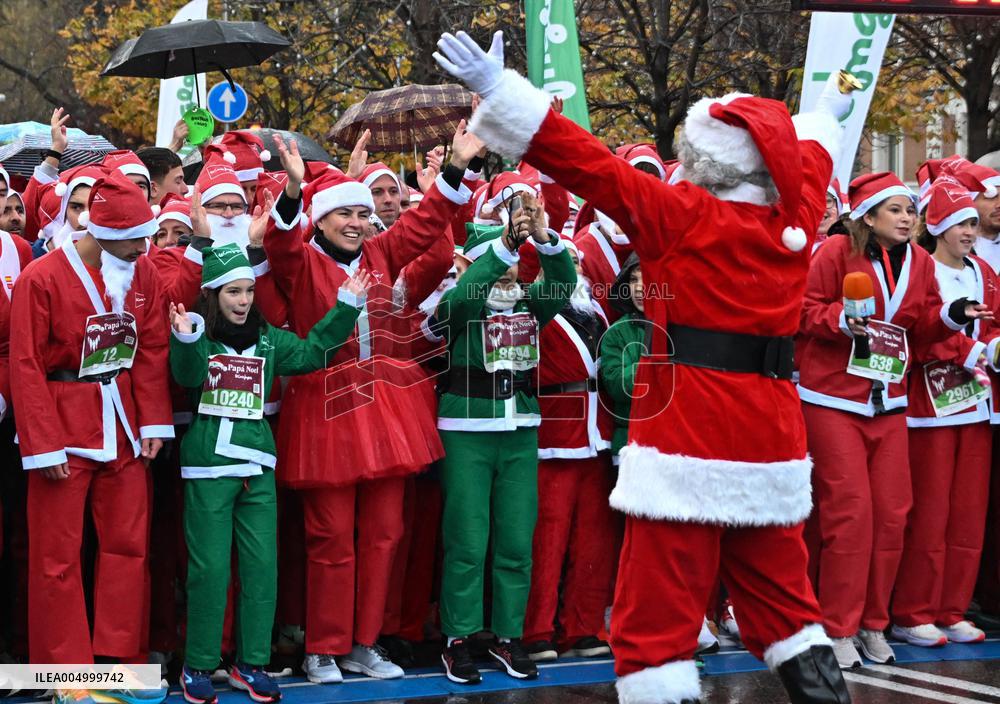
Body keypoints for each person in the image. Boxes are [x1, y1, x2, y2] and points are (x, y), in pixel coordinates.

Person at [434, 29, 853, 703]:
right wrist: (826, 113)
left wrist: (497, 88)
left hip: (689, 428)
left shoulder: (681, 214)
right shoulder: (797, 217)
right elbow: (811, 154)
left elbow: (586, 162)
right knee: (785, 599)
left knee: (658, 606)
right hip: (769, 435)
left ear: (706, 162)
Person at [263, 127, 478, 684]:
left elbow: (426, 222)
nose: (357, 223)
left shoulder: (381, 251)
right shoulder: (302, 261)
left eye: (363, 214)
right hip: (326, 409)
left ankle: (364, 642)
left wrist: (456, 166)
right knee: (331, 536)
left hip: (385, 408)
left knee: (384, 533)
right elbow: (279, 244)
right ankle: (323, 647)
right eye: (344, 214)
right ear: (321, 220)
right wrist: (293, 189)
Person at [799, 171, 993, 669]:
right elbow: (801, 310)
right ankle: (837, 626)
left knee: (892, 516)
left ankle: (873, 621)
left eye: (910, 211)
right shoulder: (835, 252)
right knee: (850, 515)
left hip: (889, 400)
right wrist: (840, 320)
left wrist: (952, 316)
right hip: (833, 398)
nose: (907, 219)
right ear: (868, 217)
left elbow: (922, 328)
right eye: (896, 210)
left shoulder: (921, 262)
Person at [169, 244, 369, 704]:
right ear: (212, 294)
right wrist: (184, 337)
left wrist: (347, 306)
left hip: (257, 465)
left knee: (262, 569)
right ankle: (198, 664)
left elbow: (314, 352)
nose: (243, 300)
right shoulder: (199, 334)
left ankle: (252, 663)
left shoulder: (269, 339)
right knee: (210, 571)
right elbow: (187, 376)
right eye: (233, 292)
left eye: (248, 291)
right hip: (209, 467)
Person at [9, 171, 172, 701]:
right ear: (101, 232)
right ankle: (65, 676)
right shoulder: (41, 277)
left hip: (123, 425)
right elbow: (26, 365)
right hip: (62, 426)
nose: (143, 248)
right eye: (134, 239)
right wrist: (42, 445)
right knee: (56, 557)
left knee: (129, 547)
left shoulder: (143, 271)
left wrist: (153, 420)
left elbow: (152, 347)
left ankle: (121, 667)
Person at [432, 198, 575, 684]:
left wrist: (544, 238)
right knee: (467, 541)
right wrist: (504, 246)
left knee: (516, 541)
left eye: (514, 264)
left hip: (520, 432)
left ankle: (508, 635)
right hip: (466, 433)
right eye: (500, 263)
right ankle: (458, 638)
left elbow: (563, 282)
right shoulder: (457, 304)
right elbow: (466, 294)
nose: (510, 272)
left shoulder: (530, 306)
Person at [891, 176, 1000, 647]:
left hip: (976, 404)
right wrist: (972, 350)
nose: (970, 232)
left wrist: (994, 345)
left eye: (973, 223)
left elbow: (993, 322)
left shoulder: (983, 272)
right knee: (930, 513)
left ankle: (951, 608)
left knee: (967, 514)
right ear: (937, 227)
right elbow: (916, 331)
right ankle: (913, 611)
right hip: (928, 408)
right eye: (961, 224)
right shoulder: (920, 268)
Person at [522, 239, 617, 662]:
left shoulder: (597, 310)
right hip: (556, 434)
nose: (573, 267)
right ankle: (536, 631)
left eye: (576, 260)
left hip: (599, 434)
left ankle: (584, 627)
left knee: (595, 539)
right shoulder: (533, 307)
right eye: (563, 261)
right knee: (547, 538)